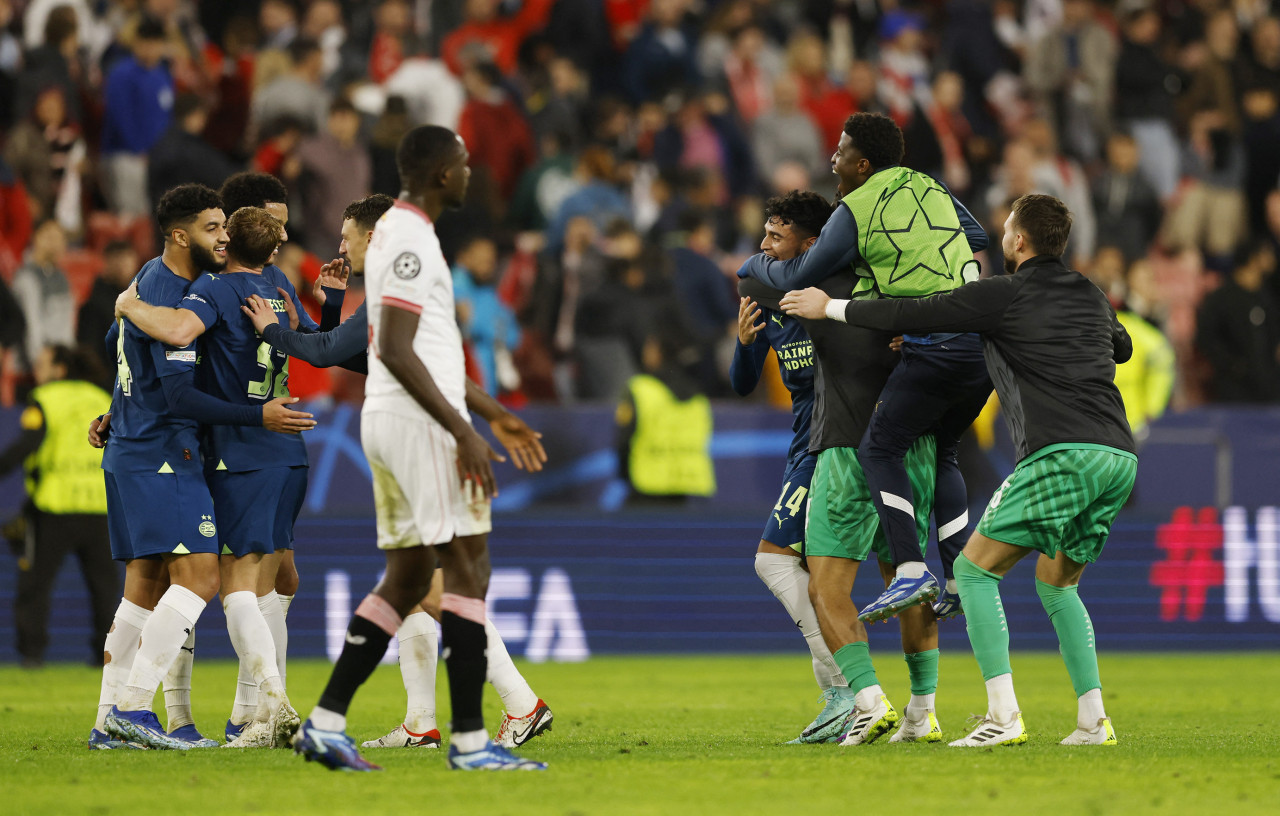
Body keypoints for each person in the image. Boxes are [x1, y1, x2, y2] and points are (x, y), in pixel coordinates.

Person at [781, 193, 1136, 747]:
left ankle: (1002, 717)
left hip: (1060, 451)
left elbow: (913, 311)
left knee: (973, 573)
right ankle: (1093, 721)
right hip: (1118, 456)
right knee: (1057, 585)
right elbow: (1123, 346)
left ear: (1019, 240)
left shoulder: (1004, 295)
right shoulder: (1087, 291)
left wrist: (828, 307)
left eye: (1008, 227)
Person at [243, 193, 555, 750]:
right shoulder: (394, 289)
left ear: (374, 236)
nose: (339, 246)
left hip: (422, 440)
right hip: (424, 438)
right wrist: (334, 303)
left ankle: (519, 702)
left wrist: (271, 331)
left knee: (430, 582)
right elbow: (346, 351)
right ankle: (420, 724)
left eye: (347, 236)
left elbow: (324, 352)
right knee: (415, 581)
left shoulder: (394, 286)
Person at [738, 112, 991, 624]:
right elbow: (976, 235)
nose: (832, 160)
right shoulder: (926, 185)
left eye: (840, 152)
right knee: (945, 453)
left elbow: (800, 273)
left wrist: (751, 268)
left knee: (881, 447)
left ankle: (911, 574)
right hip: (972, 339)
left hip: (890, 383)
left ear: (863, 164)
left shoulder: (852, 216)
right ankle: (958, 575)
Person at [95, 184, 313, 751]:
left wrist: (113, 409)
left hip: (140, 445)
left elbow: (123, 353)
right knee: (201, 577)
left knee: (147, 585)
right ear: (179, 234)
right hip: (166, 450)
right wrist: (255, 416)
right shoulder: (181, 293)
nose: (224, 238)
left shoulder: (147, 278)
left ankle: (115, 722)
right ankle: (136, 710)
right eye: (214, 228)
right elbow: (172, 379)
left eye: (226, 228)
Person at [730, 190, 857, 743]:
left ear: (810, 247)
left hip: (835, 446)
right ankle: (854, 695)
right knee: (807, 571)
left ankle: (846, 693)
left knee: (775, 561)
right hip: (803, 447)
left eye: (776, 236)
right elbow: (740, 384)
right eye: (764, 232)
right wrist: (744, 345)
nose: (763, 245)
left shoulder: (836, 297)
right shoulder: (769, 303)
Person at [0, 344, 114, 668]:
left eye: (41, 364)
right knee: (104, 589)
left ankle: (32, 655)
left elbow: (27, 445)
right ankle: (103, 657)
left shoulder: (45, 400)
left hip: (54, 508)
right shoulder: (99, 397)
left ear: (60, 369)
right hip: (99, 507)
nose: (35, 370)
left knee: (35, 585)